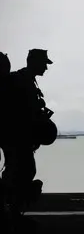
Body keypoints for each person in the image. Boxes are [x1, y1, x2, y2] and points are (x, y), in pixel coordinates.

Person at [1, 49, 54, 217]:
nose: (46, 68)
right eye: (44, 63)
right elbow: (19, 112)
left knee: (19, 172)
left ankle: (11, 209)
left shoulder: (26, 80)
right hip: (17, 139)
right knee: (21, 172)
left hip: (17, 138)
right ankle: (11, 211)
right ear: (34, 62)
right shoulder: (21, 80)